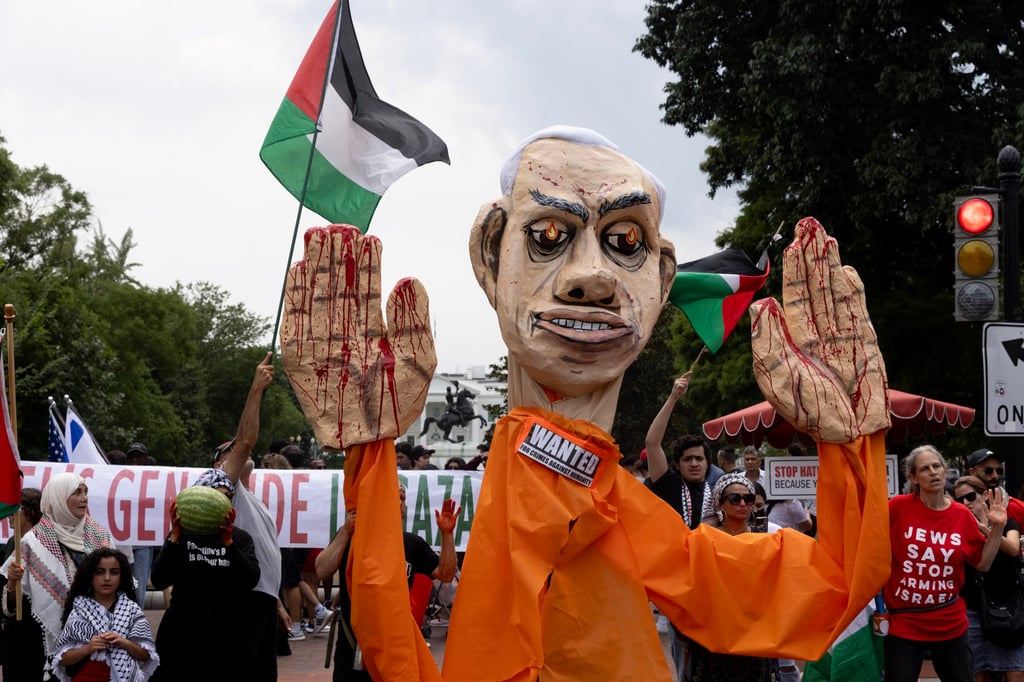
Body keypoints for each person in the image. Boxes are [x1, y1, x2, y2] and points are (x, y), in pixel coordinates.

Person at [281, 126, 893, 681]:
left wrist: (849, 445)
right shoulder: (608, 505)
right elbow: (396, 648)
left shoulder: (629, 516)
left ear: (659, 280)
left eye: (624, 241)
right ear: (491, 256)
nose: (591, 278)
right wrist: (369, 452)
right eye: (549, 236)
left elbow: (827, 590)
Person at [884, 445, 1007, 682]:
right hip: (904, 623)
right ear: (913, 477)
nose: (933, 472)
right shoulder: (897, 507)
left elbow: (982, 563)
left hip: (949, 624)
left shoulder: (961, 515)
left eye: (937, 466)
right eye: (925, 468)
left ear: (945, 469)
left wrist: (998, 527)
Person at [314, 487, 459, 681]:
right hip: (353, 641)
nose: (399, 502)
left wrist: (447, 535)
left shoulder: (412, 543)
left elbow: (446, 574)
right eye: (393, 496)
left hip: (394, 644)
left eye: (402, 498)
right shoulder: (354, 538)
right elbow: (322, 569)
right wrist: (346, 531)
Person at [211, 355, 293, 680]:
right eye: (228, 452)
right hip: (239, 601)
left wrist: (276, 604)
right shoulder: (222, 486)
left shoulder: (254, 502)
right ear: (220, 465)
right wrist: (255, 389)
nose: (239, 453)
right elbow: (245, 440)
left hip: (261, 603)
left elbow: (266, 560)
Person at [1, 473, 116, 681]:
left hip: (93, 644)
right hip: (37, 649)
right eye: (77, 492)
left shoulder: (101, 537)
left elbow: (121, 585)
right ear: (58, 498)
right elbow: (11, 606)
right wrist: (11, 583)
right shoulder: (32, 543)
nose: (84, 498)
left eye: (85, 492)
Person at [149, 470, 260, 682]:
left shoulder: (239, 538)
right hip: (184, 632)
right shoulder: (181, 536)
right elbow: (159, 578)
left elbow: (251, 579)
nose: (224, 502)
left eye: (228, 497)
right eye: (218, 495)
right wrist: (174, 538)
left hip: (228, 634)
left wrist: (229, 545)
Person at [644, 373, 717, 679]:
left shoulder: (721, 488)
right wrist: (673, 397)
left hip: (713, 578)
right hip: (679, 582)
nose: (695, 464)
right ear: (677, 464)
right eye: (688, 459)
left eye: (699, 458)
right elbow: (652, 442)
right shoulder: (670, 484)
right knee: (684, 651)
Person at [691, 472, 780, 680]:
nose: (743, 503)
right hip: (715, 631)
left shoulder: (766, 539)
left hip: (755, 631)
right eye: (734, 498)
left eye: (748, 498)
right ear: (720, 503)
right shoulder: (704, 539)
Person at [954, 475, 1024, 682]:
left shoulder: (1007, 523)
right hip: (973, 609)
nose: (966, 503)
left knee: (1015, 672)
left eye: (970, 496)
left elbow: (1012, 549)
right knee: (978, 672)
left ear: (985, 495)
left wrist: (988, 528)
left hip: (1007, 609)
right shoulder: (959, 527)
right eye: (959, 500)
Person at [53, 548, 158, 681]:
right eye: (100, 572)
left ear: (122, 577)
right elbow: (62, 658)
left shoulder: (132, 610)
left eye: (114, 573)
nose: (107, 578)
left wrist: (124, 642)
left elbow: (146, 655)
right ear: (90, 577)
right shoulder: (79, 611)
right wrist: (88, 648)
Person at [1, 487, 42, 681]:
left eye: (17, 508)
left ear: (31, 512)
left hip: (35, 629)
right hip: (13, 627)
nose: (10, 514)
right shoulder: (12, 543)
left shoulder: (43, 542)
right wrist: (10, 584)